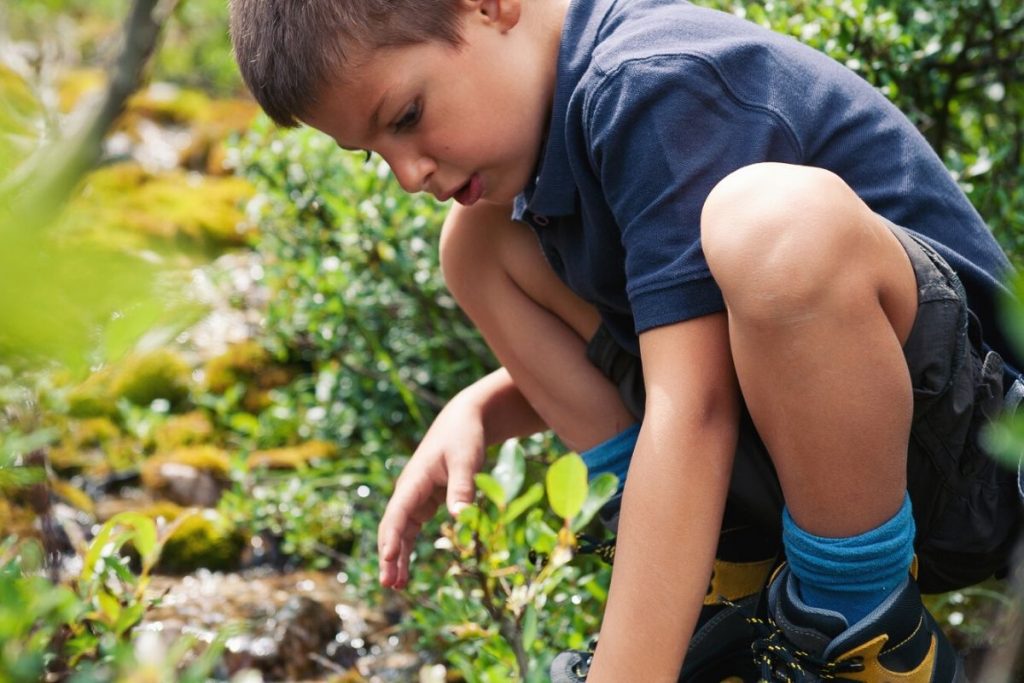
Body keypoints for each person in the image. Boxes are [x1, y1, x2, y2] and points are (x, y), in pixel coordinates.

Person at [229, 0, 1024, 679]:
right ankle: (728, 589)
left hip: (970, 457)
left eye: (406, 118)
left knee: (772, 228)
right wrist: (492, 402)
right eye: (376, 156)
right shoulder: (563, 135)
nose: (408, 173)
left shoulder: (649, 83)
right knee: (476, 245)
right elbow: (698, 344)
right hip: (824, 458)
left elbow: (698, 406)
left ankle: (857, 630)